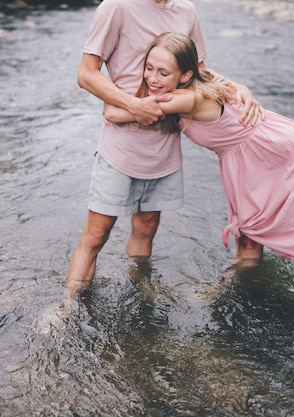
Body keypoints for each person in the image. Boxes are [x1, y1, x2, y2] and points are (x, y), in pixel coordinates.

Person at [103, 32, 294, 363]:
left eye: (163, 73)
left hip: (288, 153)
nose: (153, 79)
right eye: (149, 68)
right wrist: (244, 90)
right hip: (250, 159)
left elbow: (113, 113)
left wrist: (118, 85)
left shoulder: (185, 99)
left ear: (185, 74)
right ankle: (225, 290)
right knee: (248, 233)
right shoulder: (202, 79)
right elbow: (235, 86)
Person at [66, 0, 262, 297]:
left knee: (146, 228)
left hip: (165, 147)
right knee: (95, 235)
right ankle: (67, 308)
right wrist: (134, 105)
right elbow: (86, 74)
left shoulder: (186, 11)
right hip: (120, 147)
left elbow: (198, 71)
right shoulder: (116, 7)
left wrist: (238, 88)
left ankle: (139, 294)